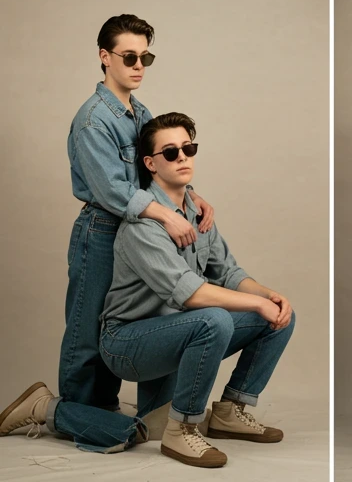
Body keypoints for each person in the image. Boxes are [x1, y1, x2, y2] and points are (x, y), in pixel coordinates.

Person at [0, 14, 215, 452]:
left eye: (146, 57)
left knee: (144, 316)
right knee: (86, 333)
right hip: (102, 230)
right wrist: (168, 216)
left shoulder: (142, 112)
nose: (139, 65)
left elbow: (154, 165)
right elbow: (112, 190)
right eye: (129, 56)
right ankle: (73, 413)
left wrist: (191, 196)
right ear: (104, 57)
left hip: (139, 231)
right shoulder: (93, 120)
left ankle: (114, 411)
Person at [99, 112, 295, 468]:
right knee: (215, 319)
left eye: (188, 148)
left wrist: (267, 296)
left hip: (180, 328)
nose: (183, 157)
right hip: (128, 342)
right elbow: (191, 294)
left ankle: (229, 411)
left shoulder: (196, 211)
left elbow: (229, 272)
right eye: (171, 152)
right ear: (150, 164)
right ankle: (181, 430)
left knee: (280, 315)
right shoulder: (144, 225)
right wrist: (255, 303)